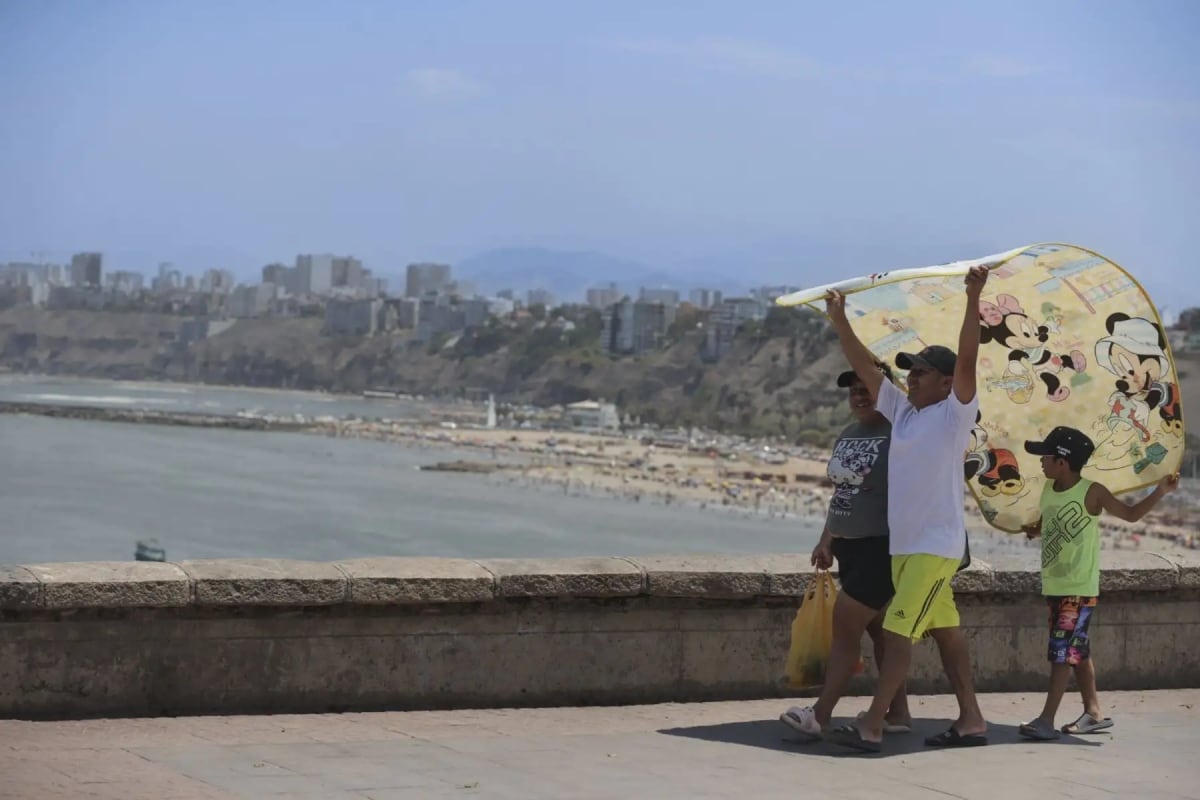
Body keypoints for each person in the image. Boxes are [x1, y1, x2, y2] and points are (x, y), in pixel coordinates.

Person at [823, 265, 991, 753]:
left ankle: (873, 724)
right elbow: (866, 369)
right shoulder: (902, 413)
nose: (912, 378)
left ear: (946, 382)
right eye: (910, 371)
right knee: (947, 633)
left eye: (921, 372)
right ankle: (972, 720)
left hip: (933, 547)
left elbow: (968, 357)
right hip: (907, 547)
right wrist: (839, 320)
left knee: (897, 633)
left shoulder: (954, 414)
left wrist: (973, 297)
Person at [1017, 426, 1179, 740]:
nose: (1040, 462)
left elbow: (1130, 515)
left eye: (1045, 457)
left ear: (1062, 462)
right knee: (1077, 649)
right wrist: (1035, 531)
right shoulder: (1049, 489)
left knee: (1062, 652)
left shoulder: (1093, 492)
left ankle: (1046, 720)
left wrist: (1160, 491)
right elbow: (1049, 523)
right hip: (1055, 585)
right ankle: (1093, 714)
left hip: (1078, 588)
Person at [779, 363, 912, 740]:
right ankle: (899, 713)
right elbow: (843, 493)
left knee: (845, 627)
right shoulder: (848, 434)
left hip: (881, 546)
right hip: (848, 548)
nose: (858, 396)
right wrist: (827, 539)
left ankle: (819, 715)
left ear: (886, 392)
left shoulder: (901, 434)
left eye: (866, 388)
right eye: (853, 390)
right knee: (880, 632)